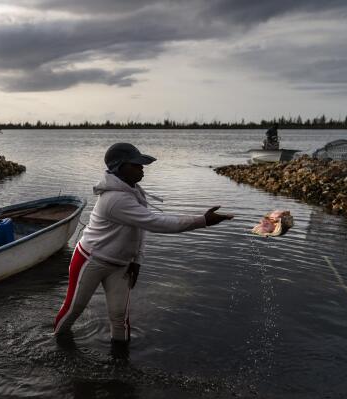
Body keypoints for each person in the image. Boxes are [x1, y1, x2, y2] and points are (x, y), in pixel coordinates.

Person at [53, 143, 234, 343]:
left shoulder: (135, 193)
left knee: (119, 317)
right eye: (136, 165)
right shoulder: (114, 200)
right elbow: (157, 223)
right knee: (74, 309)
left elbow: (140, 228)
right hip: (91, 260)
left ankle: (120, 362)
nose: (142, 168)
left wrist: (137, 260)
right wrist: (204, 220)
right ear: (120, 167)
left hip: (121, 265)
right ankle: (55, 344)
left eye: (142, 165)